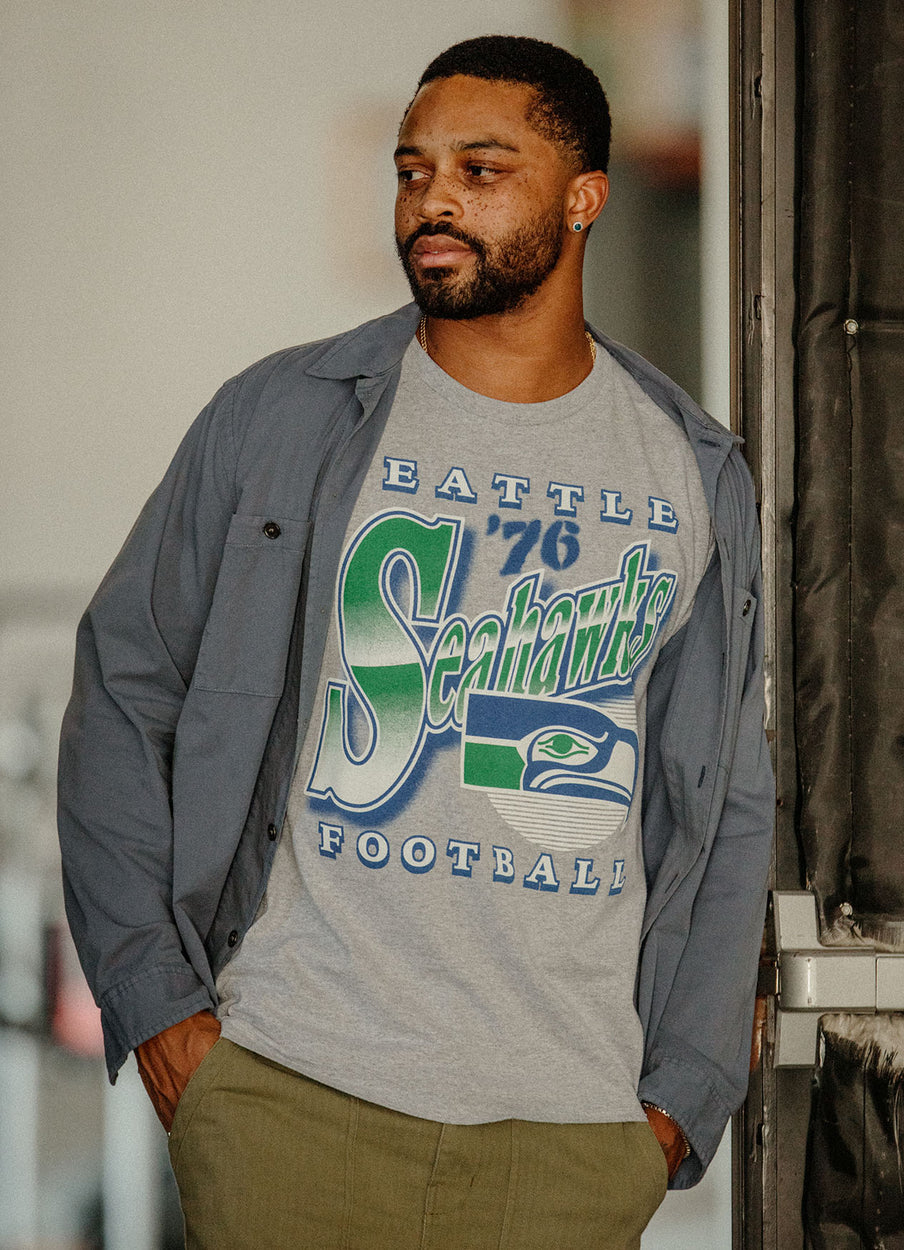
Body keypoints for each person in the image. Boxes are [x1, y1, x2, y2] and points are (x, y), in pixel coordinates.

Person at [58, 34, 773, 1250]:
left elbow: (726, 803)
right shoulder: (279, 418)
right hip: (289, 1093)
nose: (432, 198)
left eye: (480, 169)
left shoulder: (689, 470)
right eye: (411, 169)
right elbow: (127, 689)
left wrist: (679, 1099)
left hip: (572, 1131)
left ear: (583, 199)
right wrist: (159, 1009)